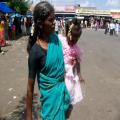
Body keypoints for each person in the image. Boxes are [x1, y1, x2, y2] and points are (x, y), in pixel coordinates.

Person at [26, 1, 70, 120]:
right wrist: (29, 117)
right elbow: (30, 89)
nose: (54, 23)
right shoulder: (35, 52)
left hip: (62, 95)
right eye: (50, 20)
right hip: (50, 103)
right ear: (40, 23)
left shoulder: (55, 39)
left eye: (54, 19)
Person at [59, 18, 85, 117]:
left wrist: (79, 73)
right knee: (60, 97)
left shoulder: (76, 49)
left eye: (77, 39)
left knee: (69, 96)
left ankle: (67, 113)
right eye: (74, 39)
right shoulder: (60, 41)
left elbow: (77, 62)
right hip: (59, 73)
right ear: (67, 33)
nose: (75, 41)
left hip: (69, 77)